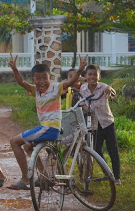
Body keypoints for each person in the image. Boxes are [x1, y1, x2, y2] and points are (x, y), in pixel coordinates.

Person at [7, 54, 87, 190]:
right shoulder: (35, 91)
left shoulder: (56, 88)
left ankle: (25, 178)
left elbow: (70, 82)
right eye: (37, 79)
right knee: (27, 147)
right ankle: (44, 176)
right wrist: (14, 69)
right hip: (47, 129)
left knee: (14, 142)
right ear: (33, 79)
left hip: (50, 129)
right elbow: (22, 82)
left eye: (45, 77)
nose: (41, 81)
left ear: (50, 78)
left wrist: (80, 69)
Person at [79, 64, 121, 185]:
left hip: (107, 123)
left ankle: (117, 178)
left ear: (99, 76)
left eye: (95, 75)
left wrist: (110, 90)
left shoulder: (103, 87)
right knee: (96, 150)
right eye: (90, 74)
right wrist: (87, 109)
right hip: (93, 125)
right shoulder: (83, 88)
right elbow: (82, 103)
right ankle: (108, 172)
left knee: (113, 150)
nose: (92, 77)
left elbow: (112, 92)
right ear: (86, 76)